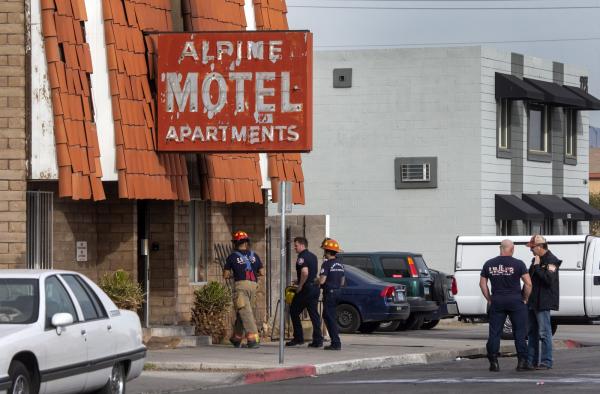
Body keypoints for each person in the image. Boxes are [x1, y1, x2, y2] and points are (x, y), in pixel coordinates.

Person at [480, 239, 532, 372]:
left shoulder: (489, 264)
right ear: (512, 249)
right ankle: (522, 362)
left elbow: (482, 284)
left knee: (495, 333)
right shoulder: (519, 264)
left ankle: (493, 362)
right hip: (516, 301)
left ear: (500, 248)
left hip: (497, 300)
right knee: (519, 333)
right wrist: (525, 298)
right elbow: (528, 284)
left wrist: (489, 299)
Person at [223, 231, 265, 349]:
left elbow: (225, 275)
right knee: (243, 312)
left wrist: (234, 274)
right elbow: (262, 272)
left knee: (245, 312)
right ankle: (236, 338)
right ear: (247, 242)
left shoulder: (232, 256)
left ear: (236, 243)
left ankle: (253, 339)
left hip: (241, 287)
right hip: (254, 287)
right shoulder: (254, 255)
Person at [526, 234, 561, 370]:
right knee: (532, 332)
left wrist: (538, 266)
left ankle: (546, 361)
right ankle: (532, 361)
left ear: (540, 247)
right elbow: (530, 279)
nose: (531, 250)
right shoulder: (536, 259)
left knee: (544, 332)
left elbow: (548, 280)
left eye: (532, 247)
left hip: (543, 301)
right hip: (533, 300)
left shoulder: (552, 261)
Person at [286, 237, 324, 348]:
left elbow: (305, 272)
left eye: (296, 245)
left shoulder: (301, 257)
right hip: (314, 288)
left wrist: (300, 285)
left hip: (306, 290)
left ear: (302, 245)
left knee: (293, 311)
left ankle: (298, 338)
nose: (294, 247)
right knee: (314, 314)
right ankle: (318, 340)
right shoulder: (313, 256)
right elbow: (310, 274)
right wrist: (299, 280)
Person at [319, 238, 345, 351]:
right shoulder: (340, 264)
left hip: (329, 293)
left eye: (325, 250)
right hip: (338, 292)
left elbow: (322, 281)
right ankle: (335, 341)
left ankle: (336, 342)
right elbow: (343, 281)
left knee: (329, 317)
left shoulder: (326, 264)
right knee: (329, 316)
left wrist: (315, 280)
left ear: (328, 252)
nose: (324, 253)